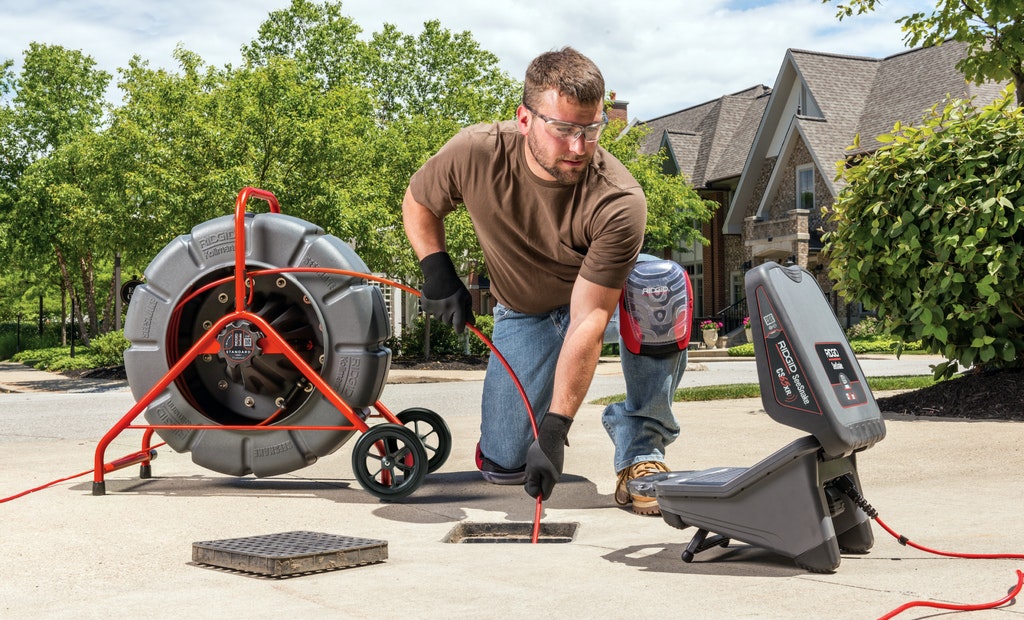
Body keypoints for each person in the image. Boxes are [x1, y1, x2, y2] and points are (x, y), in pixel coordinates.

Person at [402, 46, 650, 507]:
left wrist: (556, 427)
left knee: (661, 287)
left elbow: (590, 318)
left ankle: (641, 452)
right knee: (504, 466)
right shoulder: (476, 152)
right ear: (524, 119)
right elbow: (418, 201)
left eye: (591, 130)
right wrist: (436, 269)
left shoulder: (618, 199)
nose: (578, 147)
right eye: (563, 129)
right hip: (525, 310)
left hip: (600, 300)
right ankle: (508, 444)